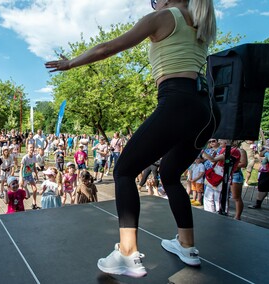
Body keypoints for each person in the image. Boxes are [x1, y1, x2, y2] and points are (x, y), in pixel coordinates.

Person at [45, 0, 218, 277]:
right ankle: (187, 245)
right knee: (171, 175)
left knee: (124, 170)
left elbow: (108, 47)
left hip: (178, 102)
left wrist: (70, 63)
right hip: (206, 112)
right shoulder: (200, 22)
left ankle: (127, 253)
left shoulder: (163, 16)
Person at [230, 142, 247, 220]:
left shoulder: (241, 151)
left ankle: (237, 216)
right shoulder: (225, 149)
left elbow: (243, 163)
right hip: (226, 174)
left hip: (235, 175)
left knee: (236, 197)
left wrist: (231, 165)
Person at [19, 144, 39, 209]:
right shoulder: (25, 158)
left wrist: (36, 174)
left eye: (33, 147)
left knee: (35, 189)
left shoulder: (34, 157)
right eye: (30, 147)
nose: (32, 149)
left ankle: (34, 203)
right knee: (20, 191)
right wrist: (21, 178)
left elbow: (34, 167)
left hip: (29, 175)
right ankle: (19, 205)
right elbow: (21, 168)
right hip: (24, 175)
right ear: (27, 149)